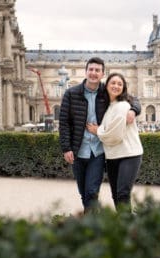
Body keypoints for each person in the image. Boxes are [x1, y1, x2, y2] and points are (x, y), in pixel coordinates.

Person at [59, 57, 140, 213]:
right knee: (84, 193)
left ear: (103, 74)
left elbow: (132, 99)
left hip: (98, 151)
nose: (93, 73)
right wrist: (66, 148)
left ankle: (93, 226)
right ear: (86, 71)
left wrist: (133, 110)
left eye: (97, 70)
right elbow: (64, 123)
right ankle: (94, 220)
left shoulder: (106, 90)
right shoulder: (71, 93)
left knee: (91, 192)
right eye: (91, 69)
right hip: (78, 150)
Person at [87, 72, 143, 210]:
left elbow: (114, 135)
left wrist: (97, 131)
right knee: (116, 195)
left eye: (120, 84)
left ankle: (128, 228)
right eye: (113, 83)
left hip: (129, 154)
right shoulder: (109, 107)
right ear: (106, 86)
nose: (116, 86)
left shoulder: (123, 106)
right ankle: (122, 225)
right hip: (112, 156)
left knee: (123, 194)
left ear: (123, 88)